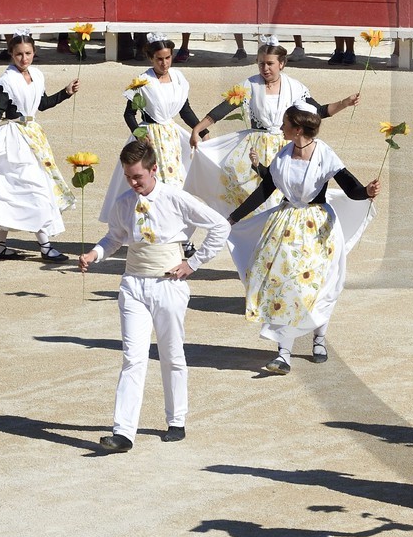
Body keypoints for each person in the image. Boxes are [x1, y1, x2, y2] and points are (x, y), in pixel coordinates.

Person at [79, 139, 229, 452]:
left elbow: (219, 226)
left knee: (171, 354)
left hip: (168, 286)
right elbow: (115, 238)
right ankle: (123, 432)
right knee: (133, 358)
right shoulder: (123, 203)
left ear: (153, 169)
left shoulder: (175, 197)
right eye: (128, 177)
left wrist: (193, 263)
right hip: (133, 285)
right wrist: (95, 253)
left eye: (138, 177)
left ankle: (176, 419)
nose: (133, 183)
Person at [225, 106, 379, 374]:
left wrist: (366, 191)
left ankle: (319, 337)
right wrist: (234, 217)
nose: (280, 127)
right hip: (284, 228)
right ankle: (283, 353)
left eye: (284, 123)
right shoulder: (283, 154)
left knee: (317, 287)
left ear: (297, 129)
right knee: (284, 286)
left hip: (318, 229)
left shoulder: (324, 155)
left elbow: (351, 187)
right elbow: (265, 190)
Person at [185, 43, 360, 214]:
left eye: (270, 63)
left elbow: (318, 112)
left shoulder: (295, 87)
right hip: (255, 148)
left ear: (282, 64)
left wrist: (345, 103)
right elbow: (223, 109)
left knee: (280, 196)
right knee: (250, 194)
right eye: (261, 63)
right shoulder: (249, 85)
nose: (265, 68)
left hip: (285, 147)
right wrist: (197, 129)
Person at [0, 33, 80, 263]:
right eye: (19, 54)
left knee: (14, 190)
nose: (24, 58)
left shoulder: (37, 75)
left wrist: (66, 93)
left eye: (28, 53)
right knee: (34, 188)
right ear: (11, 54)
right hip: (13, 139)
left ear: (34, 53)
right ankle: (45, 246)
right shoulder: (6, 80)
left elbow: (43, 104)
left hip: (33, 137)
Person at [99, 34, 199, 223]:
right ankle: (151, 227)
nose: (164, 63)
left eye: (167, 58)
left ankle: (177, 233)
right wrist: (141, 136)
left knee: (176, 185)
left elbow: (185, 111)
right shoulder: (142, 81)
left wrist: (201, 130)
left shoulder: (178, 79)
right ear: (151, 58)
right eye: (159, 59)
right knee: (153, 185)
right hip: (150, 139)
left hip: (171, 139)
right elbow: (129, 114)